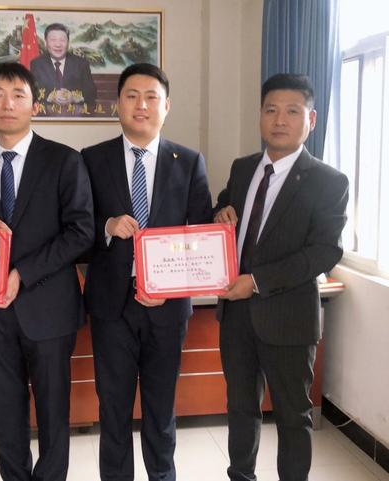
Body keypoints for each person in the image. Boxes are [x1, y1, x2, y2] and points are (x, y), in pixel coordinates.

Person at [0, 62, 94, 481]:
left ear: (34, 105)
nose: (7, 104)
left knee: (54, 414)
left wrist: (22, 272)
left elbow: (81, 232)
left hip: (48, 309)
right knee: (6, 415)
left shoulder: (64, 160)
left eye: (18, 94)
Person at [214, 73, 349, 481]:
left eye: (292, 111)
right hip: (236, 318)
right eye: (271, 110)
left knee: (293, 417)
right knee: (240, 409)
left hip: (289, 319)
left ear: (311, 119)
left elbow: (324, 251)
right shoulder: (242, 169)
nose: (279, 120)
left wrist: (257, 281)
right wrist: (220, 212)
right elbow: (225, 209)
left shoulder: (328, 181)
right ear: (260, 115)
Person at [82, 63, 213, 481]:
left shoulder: (188, 162)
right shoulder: (91, 160)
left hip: (167, 309)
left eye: (151, 97)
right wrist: (106, 227)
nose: (141, 105)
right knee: (113, 411)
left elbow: (201, 238)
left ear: (166, 106)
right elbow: (76, 230)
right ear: (117, 104)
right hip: (111, 307)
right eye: (132, 96)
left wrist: (169, 287)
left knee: (161, 411)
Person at [30, 22, 97, 104]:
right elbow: (32, 93)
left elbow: (92, 93)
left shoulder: (81, 64)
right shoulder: (37, 64)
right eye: (53, 40)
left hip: (75, 111)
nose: (58, 44)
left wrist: (74, 98)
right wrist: (49, 98)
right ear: (46, 43)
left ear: (68, 42)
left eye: (62, 40)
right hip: (47, 111)